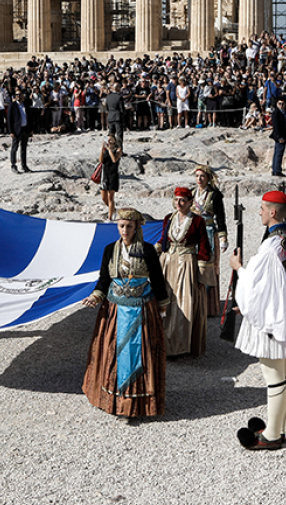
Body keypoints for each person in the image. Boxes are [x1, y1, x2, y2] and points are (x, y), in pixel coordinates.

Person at [232, 190, 286, 450]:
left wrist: (238, 268)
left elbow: (257, 285)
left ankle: (272, 435)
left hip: (272, 318)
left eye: (263, 208)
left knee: (274, 375)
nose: (260, 212)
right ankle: (279, 427)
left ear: (273, 212)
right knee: (284, 374)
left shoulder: (271, 245)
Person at [80, 208, 170, 418]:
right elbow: (104, 279)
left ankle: (140, 404)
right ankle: (115, 400)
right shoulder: (110, 249)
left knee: (141, 352)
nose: (125, 230)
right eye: (121, 226)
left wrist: (162, 306)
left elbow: (157, 279)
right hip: (115, 309)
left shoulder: (147, 250)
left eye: (129, 226)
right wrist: (95, 297)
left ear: (137, 227)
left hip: (142, 308)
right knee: (114, 351)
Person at [158, 186, 211, 358]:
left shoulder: (197, 221)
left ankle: (180, 345)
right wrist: (155, 250)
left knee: (183, 302)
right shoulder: (168, 218)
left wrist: (201, 274)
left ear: (190, 202)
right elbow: (163, 239)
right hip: (168, 262)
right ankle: (164, 343)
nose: (178, 203)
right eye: (176, 200)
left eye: (182, 200)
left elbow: (204, 248)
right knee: (165, 300)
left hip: (187, 262)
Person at [190, 165, 228, 317]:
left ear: (208, 178)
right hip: (195, 233)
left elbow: (220, 216)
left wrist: (223, 235)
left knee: (209, 266)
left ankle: (208, 306)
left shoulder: (215, 195)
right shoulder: (193, 193)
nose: (199, 179)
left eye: (202, 176)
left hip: (209, 232)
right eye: (197, 176)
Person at [99, 135, 123, 220]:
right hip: (105, 174)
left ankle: (110, 217)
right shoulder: (105, 150)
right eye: (107, 139)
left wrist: (109, 150)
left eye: (110, 139)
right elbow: (101, 160)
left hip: (113, 174)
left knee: (110, 197)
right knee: (104, 197)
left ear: (114, 141)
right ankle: (113, 210)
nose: (108, 141)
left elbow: (114, 160)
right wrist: (102, 149)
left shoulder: (118, 150)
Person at [9, 91, 31, 172]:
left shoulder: (26, 104)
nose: (18, 96)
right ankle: (13, 165)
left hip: (25, 129)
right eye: (16, 94)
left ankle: (24, 165)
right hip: (16, 130)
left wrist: (31, 129)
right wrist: (11, 131)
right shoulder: (12, 105)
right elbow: (9, 119)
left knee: (24, 148)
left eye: (19, 94)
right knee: (14, 148)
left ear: (22, 95)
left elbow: (30, 117)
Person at [269, 96, 286, 177]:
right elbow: (276, 126)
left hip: (284, 135)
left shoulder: (282, 112)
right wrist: (280, 137)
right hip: (280, 136)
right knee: (278, 153)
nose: (281, 105)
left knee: (277, 153)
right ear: (277, 104)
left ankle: (275, 170)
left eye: (283, 103)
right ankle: (277, 170)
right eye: (279, 103)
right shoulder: (276, 112)